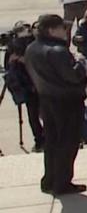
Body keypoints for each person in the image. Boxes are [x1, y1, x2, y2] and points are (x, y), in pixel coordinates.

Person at [24, 14, 87, 195]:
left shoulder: (31, 48)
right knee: (67, 143)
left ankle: (49, 179)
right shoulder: (58, 51)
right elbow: (73, 76)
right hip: (66, 102)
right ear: (52, 30)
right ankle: (62, 182)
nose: (65, 31)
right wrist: (80, 63)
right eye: (62, 28)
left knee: (52, 141)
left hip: (45, 99)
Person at [5, 22, 45, 152]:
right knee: (33, 115)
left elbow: (41, 61)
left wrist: (24, 59)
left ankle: (50, 137)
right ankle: (39, 140)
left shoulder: (37, 43)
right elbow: (7, 67)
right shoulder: (13, 46)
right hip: (25, 84)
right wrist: (12, 60)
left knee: (44, 113)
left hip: (40, 82)